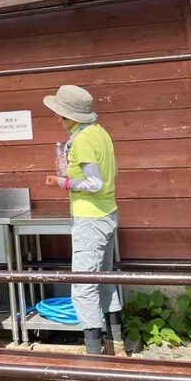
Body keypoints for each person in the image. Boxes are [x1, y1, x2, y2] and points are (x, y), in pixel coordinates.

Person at [43, 84, 123, 355]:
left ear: (72, 116)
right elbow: (112, 175)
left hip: (90, 218)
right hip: (109, 212)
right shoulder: (102, 133)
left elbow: (94, 183)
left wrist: (63, 183)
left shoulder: (83, 140)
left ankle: (93, 351)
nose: (59, 119)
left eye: (61, 115)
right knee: (106, 279)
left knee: (83, 285)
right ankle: (116, 342)